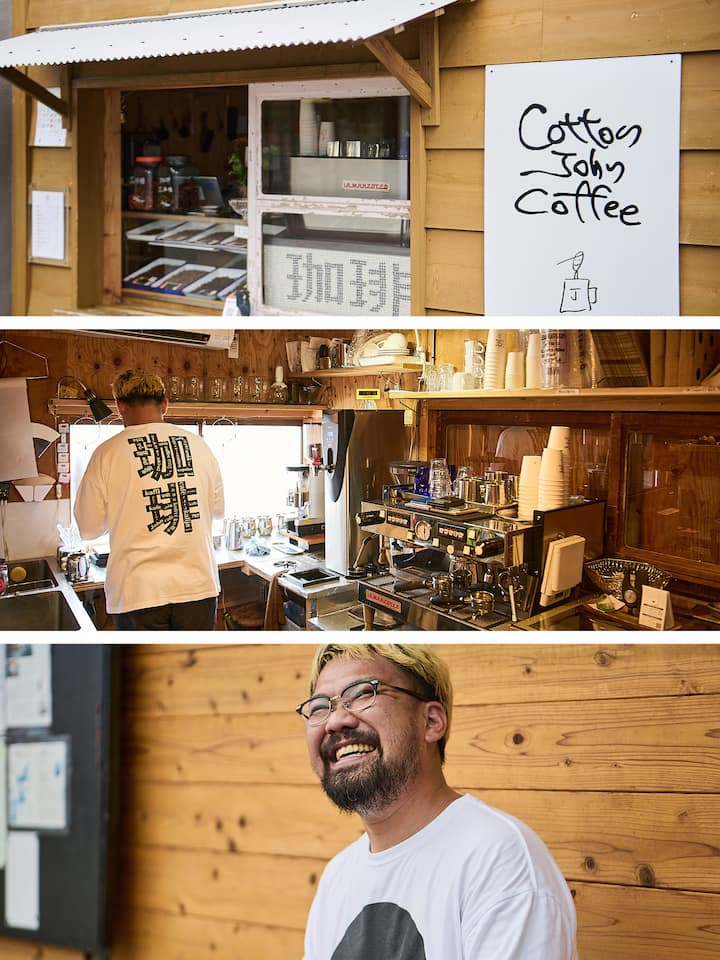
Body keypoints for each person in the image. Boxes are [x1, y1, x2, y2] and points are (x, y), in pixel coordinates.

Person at [297, 644, 578, 960]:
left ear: (431, 722)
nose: (335, 721)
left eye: (362, 693)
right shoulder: (338, 877)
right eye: (319, 707)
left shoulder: (499, 860)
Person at [74, 369, 224, 630]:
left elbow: (88, 528)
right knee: (193, 658)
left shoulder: (107, 453)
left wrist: (126, 512)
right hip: (197, 586)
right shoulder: (199, 446)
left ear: (120, 407)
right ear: (164, 404)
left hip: (137, 591)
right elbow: (217, 511)